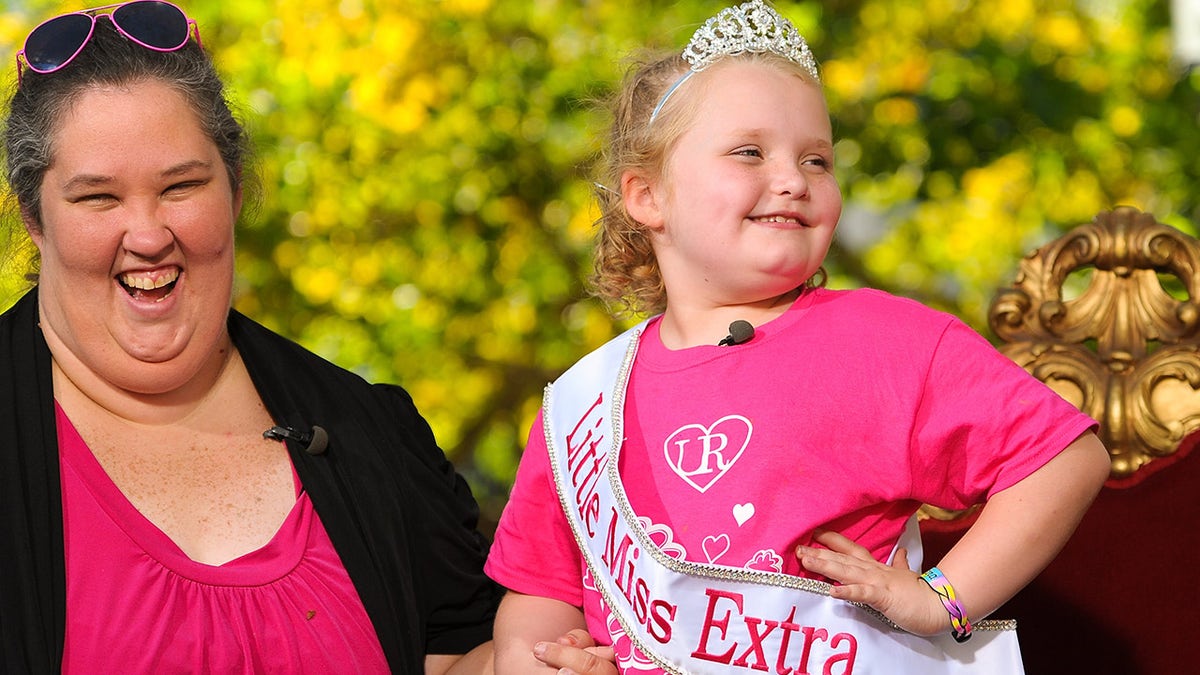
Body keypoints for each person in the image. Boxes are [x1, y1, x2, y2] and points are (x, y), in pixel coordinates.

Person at [485, 1, 1112, 673]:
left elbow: (1066, 459)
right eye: (749, 151)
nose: (792, 179)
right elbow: (539, 592)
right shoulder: (584, 403)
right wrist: (541, 658)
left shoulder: (888, 342)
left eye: (817, 160)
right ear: (647, 196)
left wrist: (944, 600)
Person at [0, 3, 620, 673]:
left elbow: (451, 657)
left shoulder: (368, 433)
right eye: (98, 198)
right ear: (37, 218)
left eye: (182, 185)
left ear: (234, 192)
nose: (148, 234)